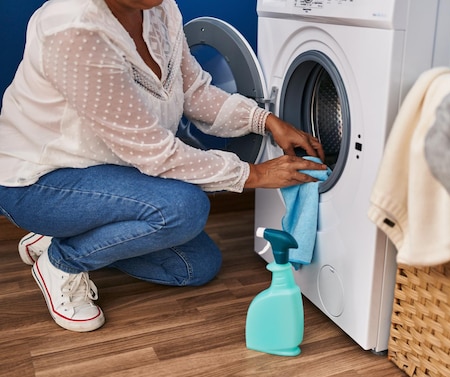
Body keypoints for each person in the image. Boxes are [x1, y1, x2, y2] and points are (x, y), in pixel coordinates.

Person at [0, 0, 326, 333]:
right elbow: (156, 154)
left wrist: (266, 121)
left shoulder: (159, 8)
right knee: (184, 208)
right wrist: (253, 174)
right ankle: (62, 262)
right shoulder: (74, 28)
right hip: (39, 182)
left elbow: (194, 92)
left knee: (196, 266)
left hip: (111, 170)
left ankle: (69, 231)